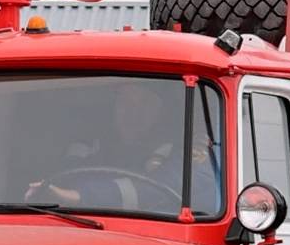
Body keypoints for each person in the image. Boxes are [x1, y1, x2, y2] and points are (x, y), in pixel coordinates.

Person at [25, 80, 220, 215]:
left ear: (162, 112)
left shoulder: (188, 151)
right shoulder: (90, 144)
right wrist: (48, 192)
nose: (132, 113)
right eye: (125, 102)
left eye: (145, 104)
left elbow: (164, 188)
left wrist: (79, 197)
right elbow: (66, 176)